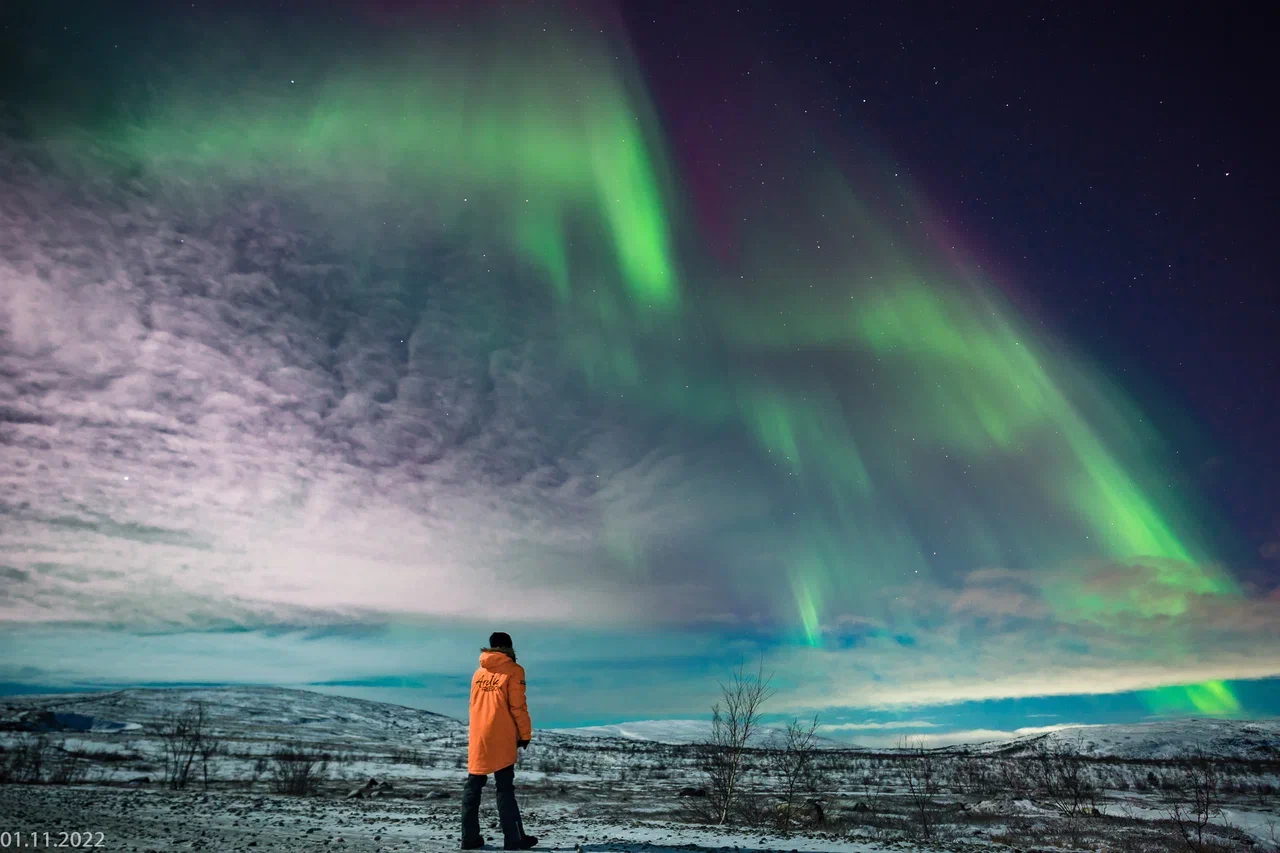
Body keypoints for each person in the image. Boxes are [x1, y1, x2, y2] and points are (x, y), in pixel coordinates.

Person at [461, 631, 537, 851]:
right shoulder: (514, 670)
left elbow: (474, 704)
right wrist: (524, 734)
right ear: (510, 647)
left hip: (478, 735)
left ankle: (469, 837)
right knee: (504, 787)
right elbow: (518, 706)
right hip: (501, 734)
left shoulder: (479, 673)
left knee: (473, 786)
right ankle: (513, 838)